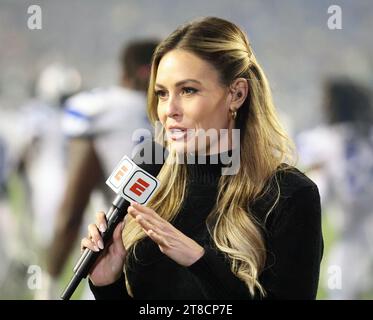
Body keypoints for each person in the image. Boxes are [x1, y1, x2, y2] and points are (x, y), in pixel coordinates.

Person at [81, 17, 323, 300]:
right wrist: (108, 285)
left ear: (237, 94)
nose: (169, 110)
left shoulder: (290, 195)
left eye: (188, 90)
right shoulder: (151, 185)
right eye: (161, 93)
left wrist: (198, 260)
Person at [41, 40, 159, 299]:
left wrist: (48, 285)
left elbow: (73, 208)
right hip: (169, 262)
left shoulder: (102, 109)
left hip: (116, 256)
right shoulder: (180, 115)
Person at [297, 79, 373, 299]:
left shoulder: (323, 140)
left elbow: (308, 178)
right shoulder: (367, 135)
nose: (323, 105)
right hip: (362, 223)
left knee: (336, 283)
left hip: (351, 229)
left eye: (327, 100)